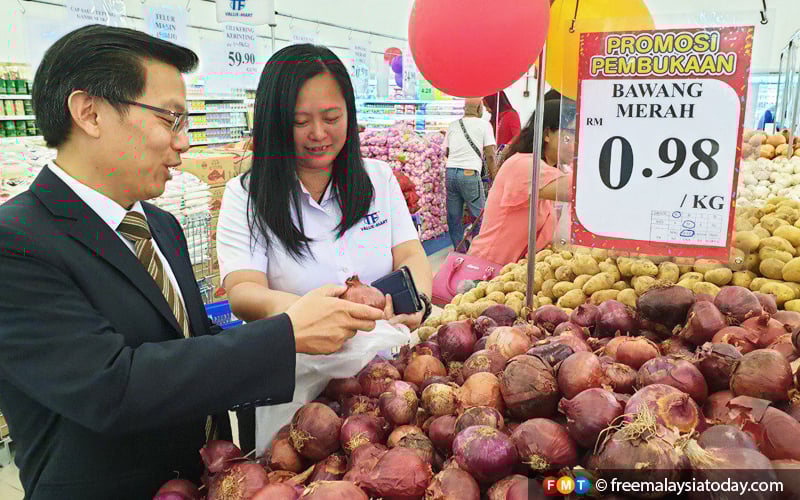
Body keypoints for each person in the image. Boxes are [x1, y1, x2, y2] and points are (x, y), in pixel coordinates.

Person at [0, 26, 384, 500]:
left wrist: (310, 346)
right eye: (170, 118)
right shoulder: (17, 242)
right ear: (89, 113)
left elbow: (191, 344)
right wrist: (286, 333)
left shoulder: (161, 227)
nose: (183, 142)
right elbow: (112, 386)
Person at [217, 44, 433, 453]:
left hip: (386, 383)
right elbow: (243, 290)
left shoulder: (379, 180)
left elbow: (410, 254)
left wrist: (419, 301)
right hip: (296, 390)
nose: (318, 134)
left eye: (332, 118)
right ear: (274, 123)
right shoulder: (245, 195)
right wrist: (310, 314)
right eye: (300, 122)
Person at [468, 99, 577, 266]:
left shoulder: (551, 170)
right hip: (488, 268)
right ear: (547, 134)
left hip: (513, 271)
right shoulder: (524, 165)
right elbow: (575, 190)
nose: (578, 142)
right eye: (573, 133)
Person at [443, 98, 496, 250]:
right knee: (479, 217)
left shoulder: (453, 125)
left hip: (451, 173)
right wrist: (495, 177)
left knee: (454, 217)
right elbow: (490, 155)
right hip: (469, 173)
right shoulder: (484, 125)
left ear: (464, 108)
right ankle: (476, 251)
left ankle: (460, 251)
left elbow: (447, 151)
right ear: (479, 108)